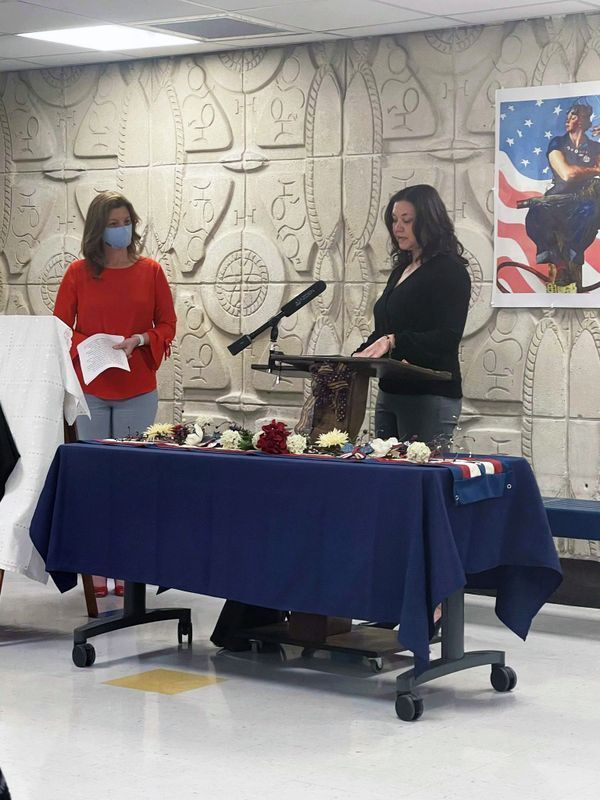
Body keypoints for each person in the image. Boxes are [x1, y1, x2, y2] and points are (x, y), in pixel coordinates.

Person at [54, 191, 176, 597]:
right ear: (97, 229)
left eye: (125, 221)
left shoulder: (151, 271)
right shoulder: (76, 274)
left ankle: (129, 569)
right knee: (97, 481)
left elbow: (167, 324)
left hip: (137, 386)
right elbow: (59, 329)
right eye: (113, 222)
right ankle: (98, 571)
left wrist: (140, 338)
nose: (121, 228)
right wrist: (88, 344)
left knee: (133, 479)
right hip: (90, 388)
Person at [354, 184, 471, 446]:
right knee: (385, 477)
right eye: (394, 220)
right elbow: (385, 330)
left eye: (407, 221)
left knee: (418, 478)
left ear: (429, 221)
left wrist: (396, 341)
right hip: (391, 392)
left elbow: (447, 337)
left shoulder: (449, 270)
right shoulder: (401, 269)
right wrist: (357, 357)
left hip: (430, 395)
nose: (398, 228)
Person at [525, 102, 600, 291]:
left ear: (583, 120)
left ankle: (572, 257)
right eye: (568, 115)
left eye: (573, 116)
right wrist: (594, 169)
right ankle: (559, 264)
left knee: (592, 211)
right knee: (536, 213)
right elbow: (567, 174)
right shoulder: (558, 142)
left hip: (585, 200)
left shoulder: (594, 147)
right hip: (557, 198)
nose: (568, 119)